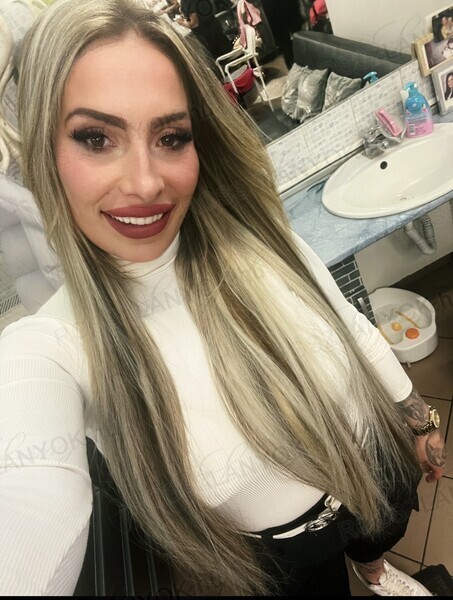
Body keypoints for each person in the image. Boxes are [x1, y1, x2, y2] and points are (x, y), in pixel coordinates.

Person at [0, 0, 446, 596]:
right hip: (286, 556)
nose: (145, 182)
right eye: (95, 137)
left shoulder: (258, 241)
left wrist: (418, 416)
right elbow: (27, 516)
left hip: (370, 465)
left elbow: (348, 324)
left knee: (380, 529)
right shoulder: (51, 349)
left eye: (171, 136)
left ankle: (374, 568)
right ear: (45, 153)